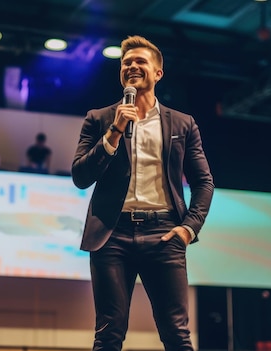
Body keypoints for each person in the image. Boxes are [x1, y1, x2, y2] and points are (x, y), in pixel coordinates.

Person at [71, 35, 214, 351]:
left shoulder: (183, 124)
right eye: (126, 63)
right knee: (108, 334)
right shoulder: (100, 119)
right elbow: (81, 176)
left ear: (158, 73)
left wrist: (188, 229)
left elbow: (204, 182)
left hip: (165, 235)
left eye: (140, 62)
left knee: (177, 335)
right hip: (112, 235)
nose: (132, 66)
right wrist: (115, 131)